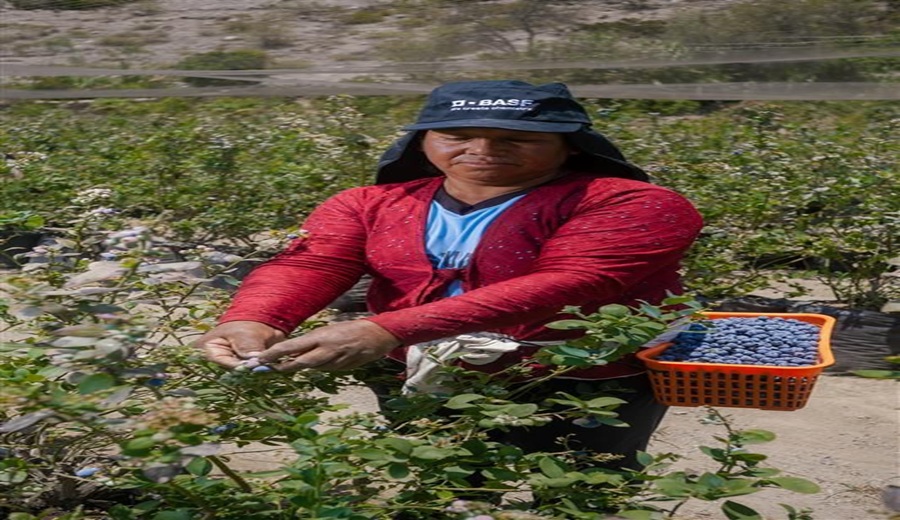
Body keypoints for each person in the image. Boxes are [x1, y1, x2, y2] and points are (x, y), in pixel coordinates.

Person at [197, 79, 704, 470]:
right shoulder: (368, 204)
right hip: (418, 369)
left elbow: (576, 281)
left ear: (570, 144)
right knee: (444, 478)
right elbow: (313, 263)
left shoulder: (633, 202)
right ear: (423, 142)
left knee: (586, 480)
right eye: (457, 136)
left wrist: (384, 329)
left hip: (576, 373)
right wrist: (254, 318)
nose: (482, 148)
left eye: (517, 137)